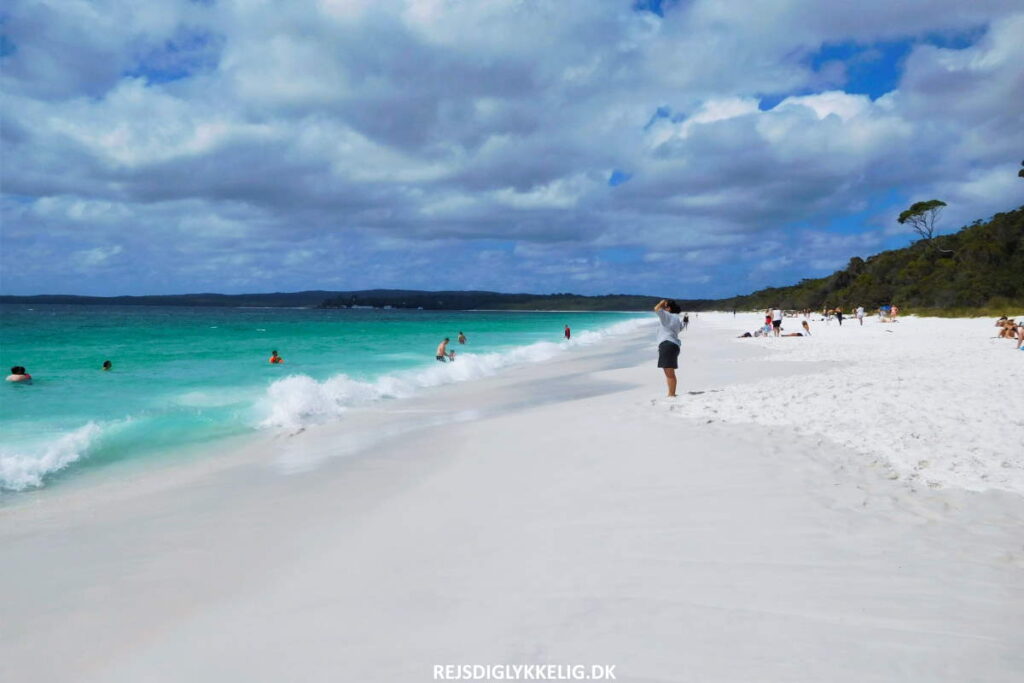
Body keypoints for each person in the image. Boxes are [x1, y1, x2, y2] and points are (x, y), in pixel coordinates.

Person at [654, 299, 683, 397]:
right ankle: (671, 393)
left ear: (669, 308)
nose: (663, 308)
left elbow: (656, 309)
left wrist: (661, 302)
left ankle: (671, 394)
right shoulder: (677, 319)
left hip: (667, 345)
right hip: (674, 345)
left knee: (669, 373)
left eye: (665, 307)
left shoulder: (667, 316)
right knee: (670, 372)